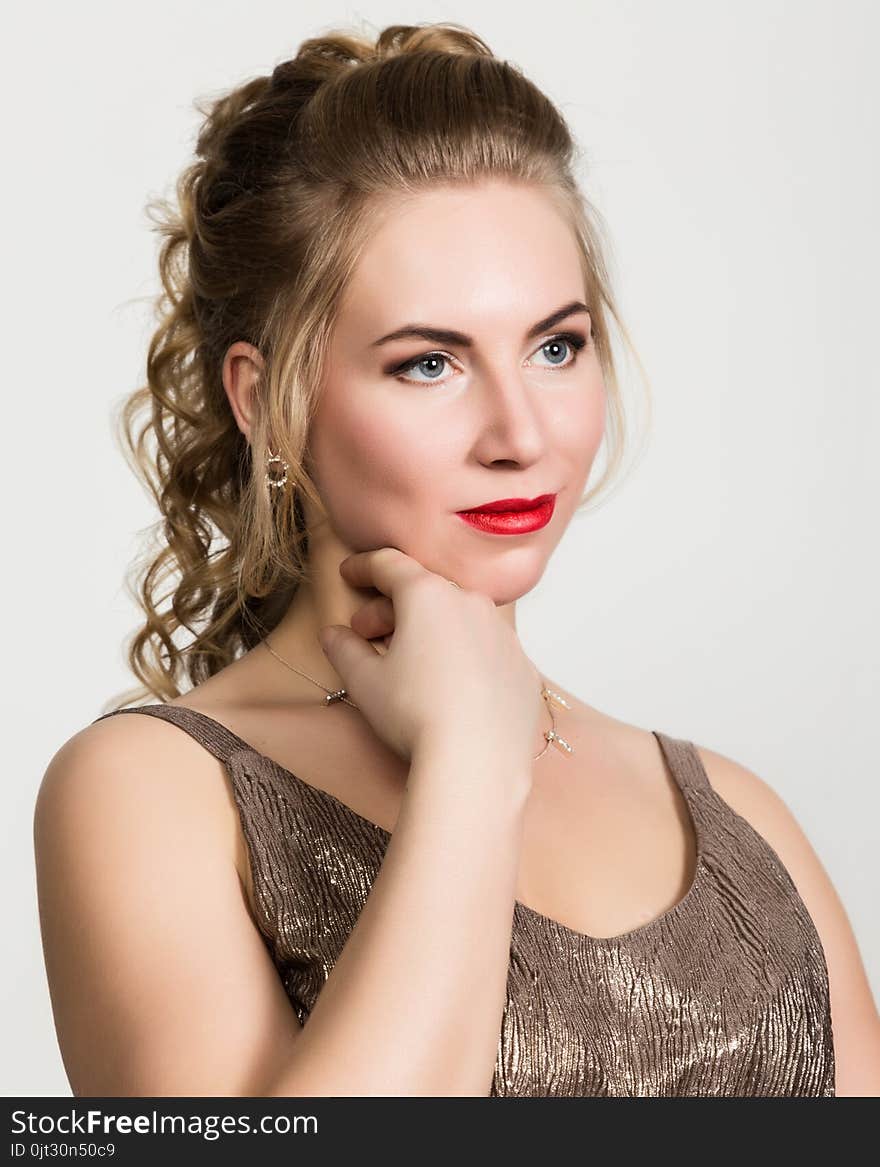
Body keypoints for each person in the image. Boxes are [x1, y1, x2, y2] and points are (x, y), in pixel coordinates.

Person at [33, 21, 879, 1099]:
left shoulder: (738, 822)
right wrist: (473, 768)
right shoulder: (151, 794)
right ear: (270, 405)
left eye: (556, 346)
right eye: (429, 363)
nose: (519, 431)